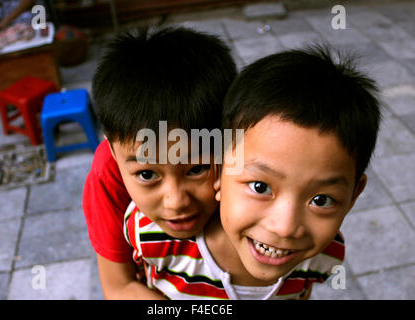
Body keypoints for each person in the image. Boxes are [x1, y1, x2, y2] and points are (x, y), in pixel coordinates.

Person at [124, 45, 382, 299]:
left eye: (321, 200)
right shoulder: (152, 237)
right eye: (260, 187)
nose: (285, 228)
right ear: (219, 170)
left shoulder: (325, 255)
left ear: (353, 195)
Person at [83, 26, 237, 299]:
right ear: (112, 146)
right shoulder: (108, 170)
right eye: (146, 175)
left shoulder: (249, 151)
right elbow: (118, 286)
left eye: (197, 169)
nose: (176, 201)